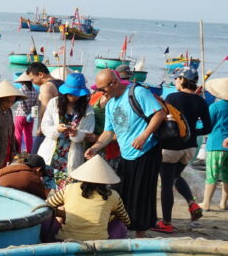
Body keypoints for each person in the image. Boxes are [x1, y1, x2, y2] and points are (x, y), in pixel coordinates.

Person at [84, 68, 167, 238]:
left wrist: (144, 136)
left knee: (142, 193)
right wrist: (95, 148)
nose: (101, 93)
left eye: (102, 89)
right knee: (121, 192)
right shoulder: (110, 104)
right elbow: (108, 133)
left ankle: (140, 234)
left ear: (114, 83)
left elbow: (160, 113)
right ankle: (123, 229)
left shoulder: (137, 93)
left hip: (146, 151)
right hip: (126, 154)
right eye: (99, 90)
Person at [156, 69, 212, 231]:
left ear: (182, 80)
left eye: (177, 78)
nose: (175, 81)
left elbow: (162, 119)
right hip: (190, 147)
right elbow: (207, 127)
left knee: (166, 184)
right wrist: (192, 132)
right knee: (175, 176)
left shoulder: (172, 97)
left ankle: (166, 223)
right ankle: (192, 204)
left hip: (171, 146)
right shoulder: (200, 101)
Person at [44, 156, 131, 242]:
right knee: (120, 224)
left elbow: (46, 205)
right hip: (98, 243)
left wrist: (63, 213)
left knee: (47, 213)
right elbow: (126, 220)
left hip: (65, 239)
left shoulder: (69, 189)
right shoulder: (113, 195)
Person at [39, 72, 95, 189]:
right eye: (70, 94)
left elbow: (87, 132)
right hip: (50, 156)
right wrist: (57, 129)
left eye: (76, 94)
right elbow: (45, 126)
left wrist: (76, 133)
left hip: (71, 157)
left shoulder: (88, 109)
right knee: (45, 190)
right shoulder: (54, 103)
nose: (73, 97)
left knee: (67, 192)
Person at [202, 78, 228, 212]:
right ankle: (223, 203)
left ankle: (206, 203)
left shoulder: (215, 107)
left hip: (216, 145)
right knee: (227, 176)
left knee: (212, 175)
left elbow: (207, 125)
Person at [25, 62, 62, 154]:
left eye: (32, 79)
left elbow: (45, 108)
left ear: (41, 74)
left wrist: (41, 128)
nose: (32, 82)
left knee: (34, 157)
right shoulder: (62, 82)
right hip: (60, 125)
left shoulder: (46, 87)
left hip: (48, 126)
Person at [12, 72, 37, 154]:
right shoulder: (35, 90)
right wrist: (30, 114)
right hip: (31, 116)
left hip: (21, 115)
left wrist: (26, 113)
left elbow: (22, 103)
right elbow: (36, 104)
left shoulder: (21, 89)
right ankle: (29, 151)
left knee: (18, 133)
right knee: (28, 134)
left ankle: (18, 151)